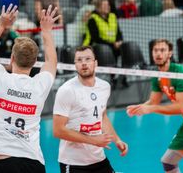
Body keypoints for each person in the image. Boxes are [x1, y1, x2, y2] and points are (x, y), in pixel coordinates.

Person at [0, 4, 58, 173]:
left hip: (5, 165)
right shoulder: (39, 86)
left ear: (12, 58)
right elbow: (51, 62)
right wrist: (46, 31)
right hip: (35, 165)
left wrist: (1, 23)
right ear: (34, 62)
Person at [127, 39, 183, 173]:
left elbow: (181, 108)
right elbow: (153, 101)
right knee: (168, 162)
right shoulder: (157, 76)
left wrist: (151, 109)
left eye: (162, 50)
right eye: (155, 50)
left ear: (170, 53)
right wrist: (139, 107)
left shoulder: (179, 73)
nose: (158, 54)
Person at [53, 45, 128, 173]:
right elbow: (58, 131)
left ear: (95, 63)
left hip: (98, 159)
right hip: (74, 163)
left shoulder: (104, 87)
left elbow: (102, 117)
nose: (84, 63)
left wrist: (117, 140)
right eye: (79, 60)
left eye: (88, 59)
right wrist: (94, 141)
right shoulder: (66, 90)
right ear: (75, 65)